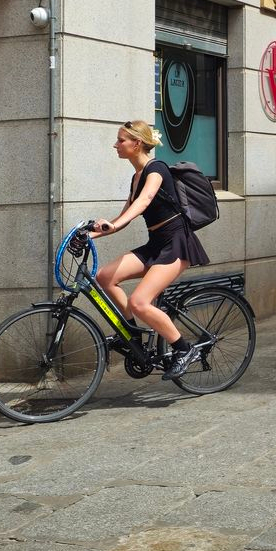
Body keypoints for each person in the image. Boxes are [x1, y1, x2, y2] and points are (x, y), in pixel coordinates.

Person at [91, 120, 210, 380]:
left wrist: (113, 224)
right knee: (105, 277)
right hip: (156, 243)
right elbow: (124, 216)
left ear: (137, 143)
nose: (116, 145)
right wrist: (89, 234)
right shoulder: (136, 176)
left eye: (121, 140)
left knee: (140, 301)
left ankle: (183, 349)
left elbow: (143, 203)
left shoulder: (156, 170)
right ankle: (131, 336)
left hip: (176, 244)